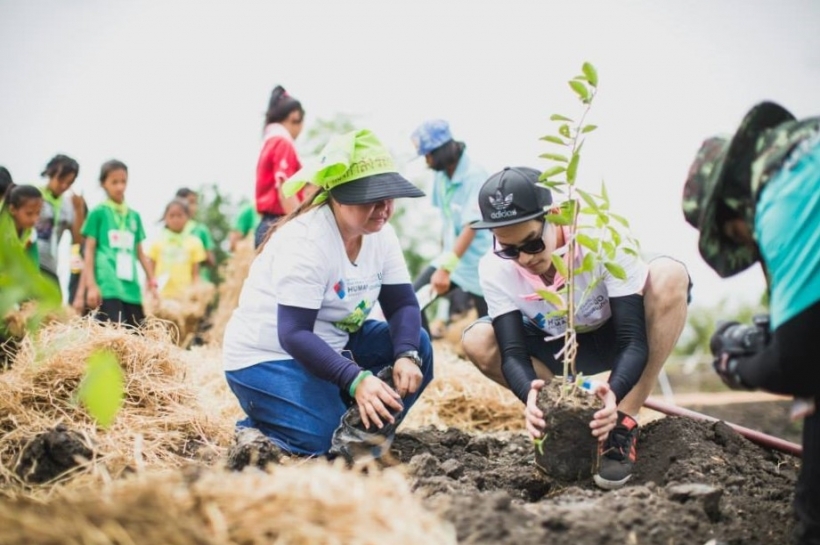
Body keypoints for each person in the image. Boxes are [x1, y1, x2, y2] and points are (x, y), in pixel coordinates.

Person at [461, 166, 690, 490]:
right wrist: (532, 398)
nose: (524, 259)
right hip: (557, 346)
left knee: (670, 274)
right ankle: (567, 421)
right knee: (478, 339)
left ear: (554, 216)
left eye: (532, 244)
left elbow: (632, 341)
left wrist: (613, 393)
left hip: (615, 334)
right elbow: (512, 354)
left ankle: (620, 424)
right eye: (509, 250)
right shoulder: (494, 268)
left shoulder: (601, 238)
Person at [222, 129, 434, 458]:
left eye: (388, 197)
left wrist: (406, 354)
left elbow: (403, 304)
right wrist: (356, 379)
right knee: (320, 442)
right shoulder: (307, 243)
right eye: (370, 198)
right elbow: (293, 333)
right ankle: (260, 425)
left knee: (417, 342)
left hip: (334, 342)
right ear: (337, 195)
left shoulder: (382, 235)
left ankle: (361, 438)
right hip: (268, 355)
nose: (383, 208)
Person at [682, 101, 820, 544]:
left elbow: (799, 365)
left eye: (737, 236)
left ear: (732, 212)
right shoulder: (807, 151)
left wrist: (736, 367)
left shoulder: (785, 198)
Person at [410, 119, 492, 333]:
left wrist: (446, 268)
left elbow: (472, 225)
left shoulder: (474, 175)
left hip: (478, 264)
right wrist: (442, 261)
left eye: (428, 154)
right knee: (410, 303)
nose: (426, 161)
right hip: (451, 259)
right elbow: (446, 222)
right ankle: (423, 356)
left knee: (492, 328)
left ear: (441, 150)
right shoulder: (441, 177)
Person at [80, 160, 156, 327]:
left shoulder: (134, 216)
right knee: (113, 332)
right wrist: (91, 286)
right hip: (108, 283)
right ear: (103, 184)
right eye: (114, 182)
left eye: (123, 181)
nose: (120, 187)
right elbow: (89, 250)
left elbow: (140, 254)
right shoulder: (98, 213)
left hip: (131, 286)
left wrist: (152, 281)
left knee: (138, 332)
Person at [254, 84, 310, 247]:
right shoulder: (282, 142)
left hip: (269, 222)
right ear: (295, 116)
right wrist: (302, 225)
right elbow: (285, 189)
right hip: (279, 222)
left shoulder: (270, 141)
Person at [34, 154, 84, 298]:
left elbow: (77, 240)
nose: (64, 186)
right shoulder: (33, 195)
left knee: (53, 307)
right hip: (29, 262)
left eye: (69, 183)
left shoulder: (68, 205)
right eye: (61, 180)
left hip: (50, 264)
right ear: (50, 172)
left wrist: (78, 210)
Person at [147, 199, 206, 300]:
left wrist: (196, 294)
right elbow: (150, 272)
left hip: (184, 297)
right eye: (171, 216)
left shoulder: (195, 243)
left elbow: (195, 274)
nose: (176, 220)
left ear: (188, 217)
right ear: (165, 217)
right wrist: (149, 292)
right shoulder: (157, 242)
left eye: (180, 215)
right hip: (161, 296)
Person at [175, 187, 215, 282]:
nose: (194, 207)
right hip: (175, 285)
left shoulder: (200, 230)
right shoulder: (167, 233)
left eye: (195, 203)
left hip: (198, 283)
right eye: (191, 202)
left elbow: (211, 260)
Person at [0, 184, 43, 268]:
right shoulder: (2, 231)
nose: (35, 219)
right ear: (12, 209)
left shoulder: (30, 234)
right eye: (29, 214)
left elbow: (33, 266)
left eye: (38, 213)